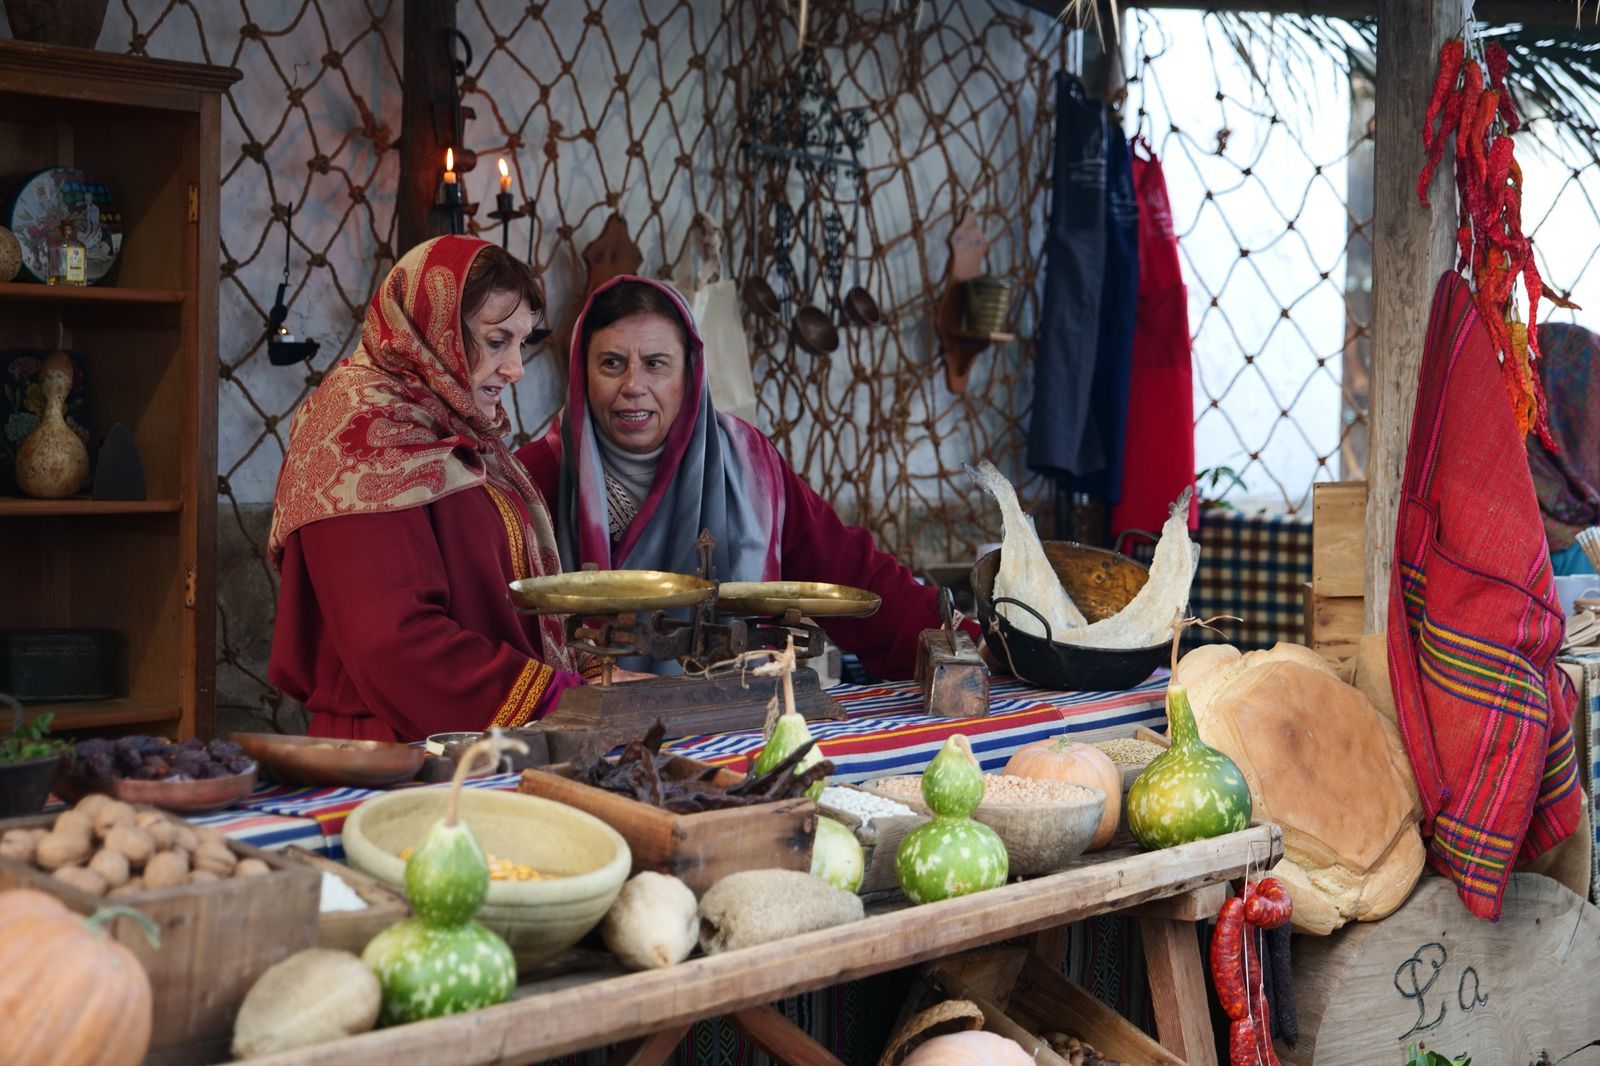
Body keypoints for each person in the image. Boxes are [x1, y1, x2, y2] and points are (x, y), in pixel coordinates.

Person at [517, 275, 980, 679]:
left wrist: (968, 641)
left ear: (691, 374)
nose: (633, 385)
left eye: (656, 363)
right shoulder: (535, 478)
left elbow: (850, 570)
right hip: (589, 726)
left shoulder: (749, 465)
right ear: (582, 373)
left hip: (737, 722)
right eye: (612, 363)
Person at [268, 236, 595, 741]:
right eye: (495, 341)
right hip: (390, 762)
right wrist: (561, 698)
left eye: (521, 342)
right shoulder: (357, 435)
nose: (516, 368)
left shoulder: (454, 430)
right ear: (431, 329)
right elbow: (393, 645)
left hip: (475, 746)